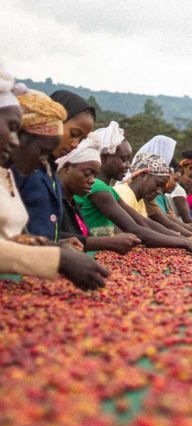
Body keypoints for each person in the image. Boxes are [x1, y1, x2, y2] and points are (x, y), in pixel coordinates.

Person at [0, 78, 108, 289]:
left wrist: (53, 245)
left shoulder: (11, 173)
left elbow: (13, 235)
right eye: (12, 127)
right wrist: (56, 258)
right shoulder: (19, 169)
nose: (12, 140)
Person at [74, 123, 192, 256]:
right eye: (124, 159)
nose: (128, 166)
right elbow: (136, 229)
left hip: (97, 254)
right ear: (105, 158)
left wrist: (191, 240)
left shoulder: (109, 190)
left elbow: (144, 222)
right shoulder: (98, 188)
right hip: (87, 255)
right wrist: (187, 243)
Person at [12, 90, 96, 241]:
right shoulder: (23, 167)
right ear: (54, 122)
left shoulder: (51, 170)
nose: (75, 145)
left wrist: (60, 244)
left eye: (82, 140)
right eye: (74, 133)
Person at [56, 136, 140, 254]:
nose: (92, 180)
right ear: (67, 168)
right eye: (87, 173)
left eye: (95, 176)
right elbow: (50, 237)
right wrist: (109, 242)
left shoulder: (73, 203)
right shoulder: (53, 201)